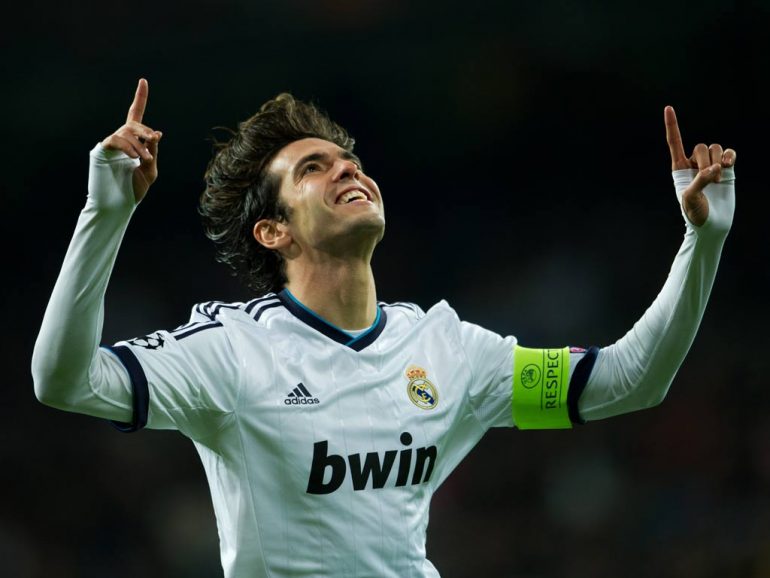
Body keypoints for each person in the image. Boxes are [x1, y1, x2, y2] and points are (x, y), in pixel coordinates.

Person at [32, 78, 736, 578]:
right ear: (273, 230)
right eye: (314, 169)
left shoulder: (446, 350)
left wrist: (703, 242)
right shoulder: (230, 352)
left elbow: (628, 383)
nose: (347, 170)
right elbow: (63, 381)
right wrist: (105, 214)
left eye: (351, 162)